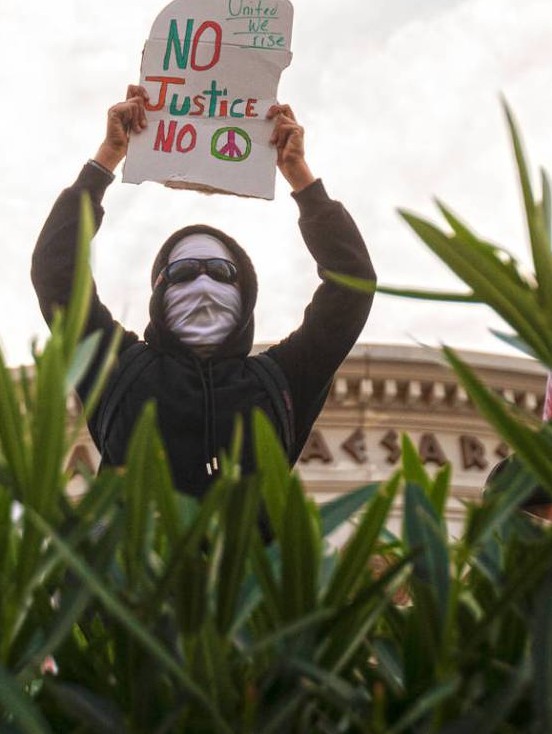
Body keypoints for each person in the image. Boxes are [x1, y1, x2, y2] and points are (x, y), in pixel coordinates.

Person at [31, 85, 375, 499]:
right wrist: (106, 160)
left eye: (220, 271)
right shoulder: (117, 367)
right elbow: (56, 271)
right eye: (183, 272)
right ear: (158, 292)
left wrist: (301, 177)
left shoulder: (281, 380)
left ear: (245, 294)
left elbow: (351, 285)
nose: (203, 283)